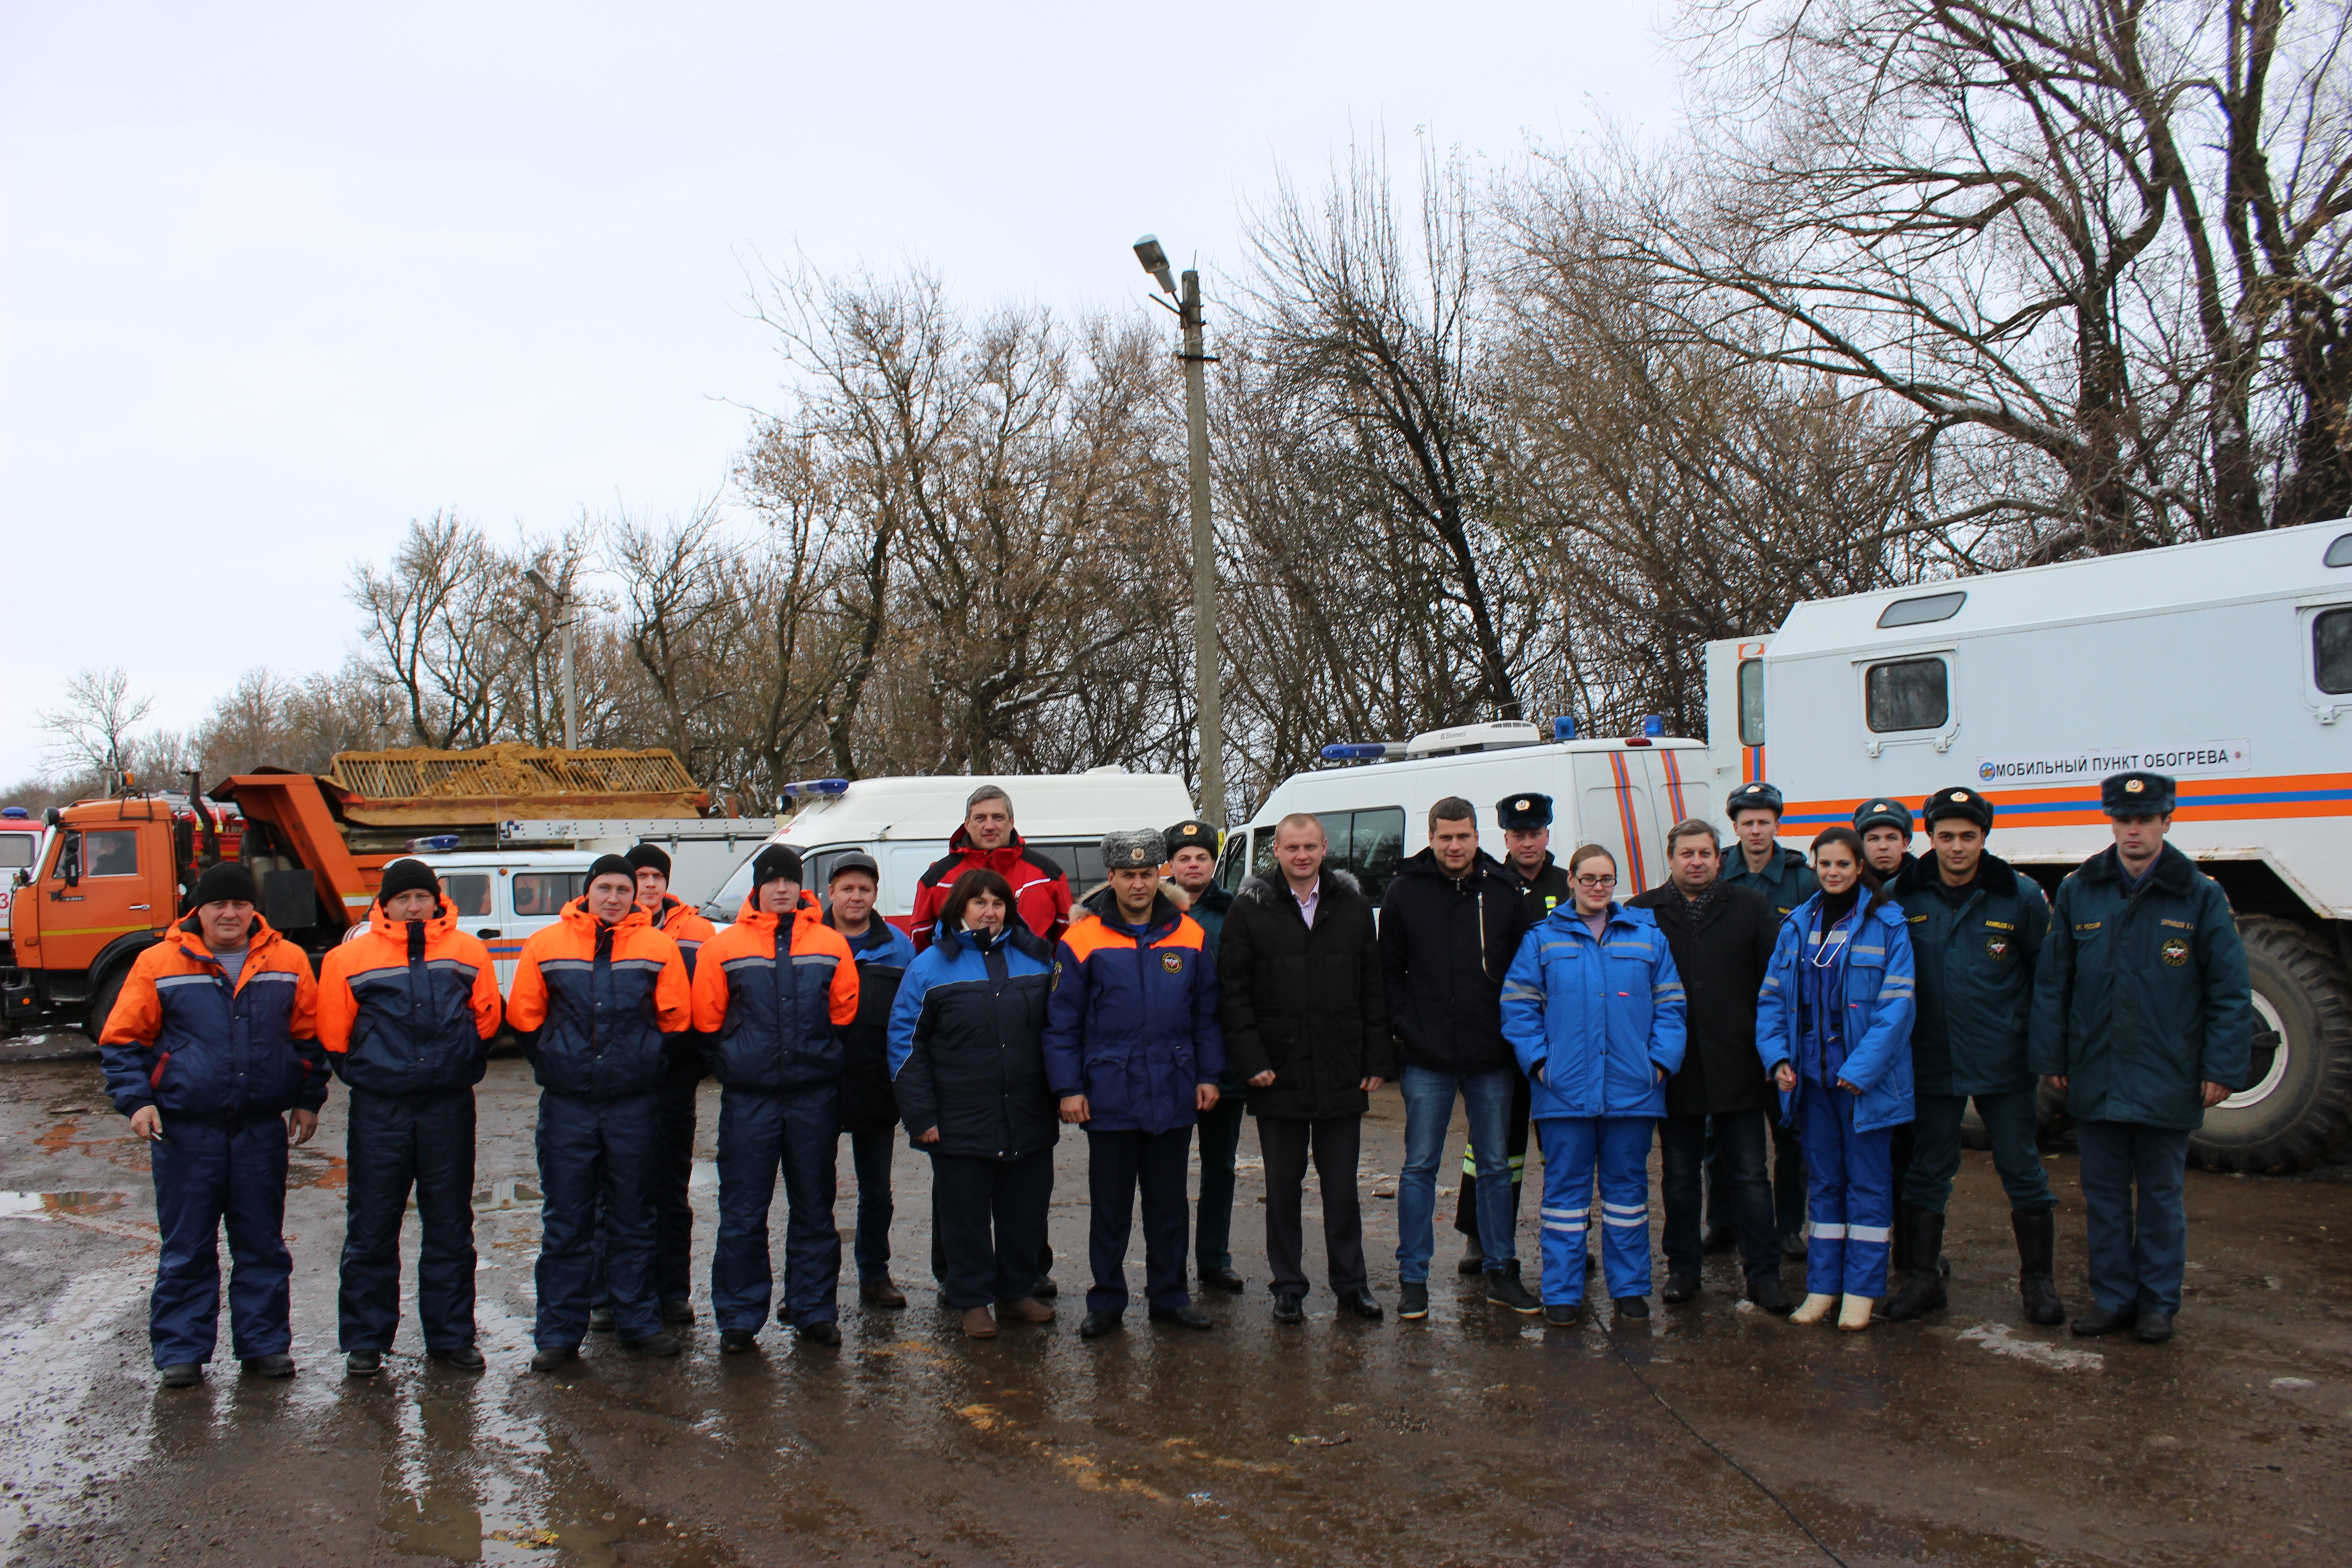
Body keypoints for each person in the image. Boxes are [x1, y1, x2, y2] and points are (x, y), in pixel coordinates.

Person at [2031, 771, 2249, 1345]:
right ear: (2113, 823)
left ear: (2165, 822)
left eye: (2145, 820)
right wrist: (2053, 1054)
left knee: (2159, 1198)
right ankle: (2113, 1298)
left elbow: (2228, 990)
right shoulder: (2082, 889)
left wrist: (2221, 1067)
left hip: (2167, 1072)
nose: (2133, 830)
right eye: (2124, 820)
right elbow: (2056, 982)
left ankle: (2158, 1303)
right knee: (2103, 1198)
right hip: (2096, 1071)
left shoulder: (2200, 894)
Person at [99, 862, 329, 1388]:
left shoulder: (288, 960)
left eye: (240, 904)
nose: (230, 914)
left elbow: (307, 1037)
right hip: (186, 1132)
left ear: (254, 910)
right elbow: (122, 1041)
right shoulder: (157, 962)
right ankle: (182, 1351)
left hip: (259, 1131)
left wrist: (308, 1099)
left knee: (262, 1245)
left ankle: (264, 1346)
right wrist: (137, 1102)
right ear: (198, 910)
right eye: (218, 905)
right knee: (187, 1246)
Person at [316, 858, 503, 1376]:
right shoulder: (348, 959)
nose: (415, 907)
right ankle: (366, 1340)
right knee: (372, 1225)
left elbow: (487, 1018)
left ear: (437, 901)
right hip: (381, 1110)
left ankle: (451, 1336)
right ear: (386, 904)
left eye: (423, 897)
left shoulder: (468, 951)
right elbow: (333, 1032)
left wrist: (456, 1059)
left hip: (447, 1107)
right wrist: (376, 1069)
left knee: (450, 1225)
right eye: (404, 899)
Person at [508, 854, 694, 1371]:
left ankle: (639, 1321)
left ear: (636, 896)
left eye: (623, 889)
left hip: (634, 1104)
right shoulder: (546, 944)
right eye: (605, 888)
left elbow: (677, 1019)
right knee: (567, 1220)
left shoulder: (658, 947)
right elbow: (524, 1014)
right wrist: (552, 1060)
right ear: (587, 892)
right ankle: (559, 1333)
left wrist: (647, 1063)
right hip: (569, 1105)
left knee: (635, 1215)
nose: (614, 898)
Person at [1046, 828, 1225, 1340]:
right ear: (1112, 878)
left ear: (1159, 875)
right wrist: (1068, 1088)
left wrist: (1209, 1073)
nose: (1140, 884)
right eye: (1129, 875)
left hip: (1173, 1086)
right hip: (1109, 1091)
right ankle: (1106, 1301)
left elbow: (1205, 1014)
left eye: (1148, 874)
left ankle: (1170, 1296)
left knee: (1169, 1205)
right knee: (1111, 1206)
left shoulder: (1188, 934)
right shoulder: (1081, 938)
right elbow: (1061, 1023)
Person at [1218, 813, 1393, 1325]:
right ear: (1276, 850)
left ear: (1324, 850)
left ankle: (1351, 1285)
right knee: (1284, 1188)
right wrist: (1251, 1062)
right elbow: (1234, 994)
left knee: (1342, 1188)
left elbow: (1373, 987)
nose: (1301, 855)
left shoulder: (1354, 907)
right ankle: (1287, 1286)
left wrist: (1377, 1056)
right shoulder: (1249, 910)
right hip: (1278, 1071)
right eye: (1292, 847)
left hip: (1340, 1065)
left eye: (1310, 847)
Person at [1501, 844, 1686, 1326]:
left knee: (1627, 1197)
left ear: (1615, 883)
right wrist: (1541, 1062)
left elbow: (1672, 1007)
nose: (1598, 888)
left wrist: (1659, 1065)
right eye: (1589, 879)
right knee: (1564, 1198)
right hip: (1564, 1091)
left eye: (1607, 880)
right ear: (1573, 882)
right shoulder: (1542, 940)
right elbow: (1518, 1008)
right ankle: (1562, 1292)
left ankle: (1629, 1288)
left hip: (1633, 1090)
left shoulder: (1647, 936)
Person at [691, 844, 859, 1354]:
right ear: (758, 887)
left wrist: (817, 1057)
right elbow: (706, 1019)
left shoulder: (830, 943)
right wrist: (736, 1062)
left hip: (812, 1097)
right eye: (772, 881)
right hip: (749, 1100)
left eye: (789, 880)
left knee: (814, 1207)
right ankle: (740, 1318)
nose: (781, 889)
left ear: (800, 885)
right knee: (743, 1210)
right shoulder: (724, 947)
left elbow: (844, 1012)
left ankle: (813, 1310)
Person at [1381, 798, 1542, 1320]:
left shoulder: (1503, 893)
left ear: (1478, 837)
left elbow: (1524, 974)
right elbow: (1390, 974)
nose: (1455, 847)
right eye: (1446, 837)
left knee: (1496, 1167)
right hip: (1427, 1055)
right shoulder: (1405, 891)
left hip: (1491, 1053)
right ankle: (1414, 1280)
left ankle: (1501, 1271)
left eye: (1464, 837)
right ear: (1431, 837)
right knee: (1419, 1168)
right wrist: (1406, 1027)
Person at [1755, 826, 1917, 1332]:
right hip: (1811, 1081)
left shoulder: (1888, 924)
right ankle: (1823, 1287)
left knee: (1869, 1185)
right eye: (1824, 865)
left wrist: (1860, 1070)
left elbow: (1897, 1008)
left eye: (1842, 865)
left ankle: (1862, 1292)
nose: (1832, 873)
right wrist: (1778, 1057)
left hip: (1864, 1084)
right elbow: (1772, 1000)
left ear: (1860, 867)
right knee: (1824, 1185)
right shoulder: (1797, 925)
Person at [888, 868, 1059, 1338]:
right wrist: (920, 1115)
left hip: (1026, 1112)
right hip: (959, 1116)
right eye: (979, 902)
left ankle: (1016, 1291)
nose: (990, 910)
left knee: (1024, 1212)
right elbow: (905, 1044)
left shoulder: (1037, 960)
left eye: (998, 902)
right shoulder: (929, 968)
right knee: (963, 1216)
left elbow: (1060, 1032)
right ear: (959, 909)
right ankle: (970, 1299)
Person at [1627, 820, 1788, 1313]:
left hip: (1739, 1064)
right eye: (1686, 853)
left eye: (1705, 853)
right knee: (1678, 1175)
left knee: (1750, 1175)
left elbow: (1773, 985)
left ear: (1720, 859)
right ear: (1670, 860)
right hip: (1674, 1069)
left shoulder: (1750, 907)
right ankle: (1683, 1269)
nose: (1696, 861)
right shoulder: (1641, 913)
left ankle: (1763, 1274)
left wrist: (1771, 1051)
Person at [1451, 793, 1567, 1275]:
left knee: (1564, 1147)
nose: (1527, 842)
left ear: (1547, 835)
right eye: (1518, 835)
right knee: (1493, 1145)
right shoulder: (1488, 886)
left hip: (1563, 1036)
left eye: (1535, 833)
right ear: (1505, 838)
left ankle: (1569, 1238)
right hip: (1503, 1036)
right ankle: (1480, 1237)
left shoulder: (1570, 885)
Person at [605, 842, 719, 1328]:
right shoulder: (604, 929)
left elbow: (708, 1001)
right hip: (621, 1082)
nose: (650, 885)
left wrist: (690, 1063)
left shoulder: (697, 931)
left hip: (674, 1079)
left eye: (657, 876)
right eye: (641, 876)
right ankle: (609, 1293)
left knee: (671, 1189)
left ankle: (673, 1290)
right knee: (616, 1189)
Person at [1716, 779, 1818, 1259]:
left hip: (1785, 1025)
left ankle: (1788, 1226)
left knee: (1790, 1132)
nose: (1756, 831)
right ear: (1734, 826)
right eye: (1747, 822)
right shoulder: (1718, 872)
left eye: (1765, 821)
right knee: (1721, 1133)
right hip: (1731, 1026)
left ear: (1778, 823)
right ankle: (1721, 1223)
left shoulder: (1802, 879)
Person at [823, 852, 917, 1309]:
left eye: (864, 889)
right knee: (814, 1189)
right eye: (847, 888)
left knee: (876, 1190)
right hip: (818, 1086)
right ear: (831, 893)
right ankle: (812, 1283)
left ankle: (874, 1276)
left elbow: (911, 1018)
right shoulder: (809, 941)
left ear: (875, 894)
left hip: (877, 1087)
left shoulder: (899, 948)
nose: (855, 896)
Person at [1851, 798, 1935, 1284]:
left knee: (1909, 1156)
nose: (1883, 847)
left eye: (1892, 838)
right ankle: (1866, 1249)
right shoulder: (1844, 891)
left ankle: (1914, 1251)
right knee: (1863, 1161)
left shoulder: (1923, 891)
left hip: (1912, 1046)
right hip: (1858, 1055)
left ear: (1908, 842)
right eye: (1873, 838)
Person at [1163, 818, 1246, 1294]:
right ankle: (1170, 1262)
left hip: (1223, 1062)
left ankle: (1214, 1258)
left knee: (1220, 1166)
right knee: (1168, 1171)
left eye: (1201, 858)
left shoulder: (1237, 911)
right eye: (1184, 859)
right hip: (1168, 1063)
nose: (1193, 866)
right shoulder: (1155, 913)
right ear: (1170, 866)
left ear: (1214, 864)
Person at [909, 784, 1073, 954]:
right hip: (964, 979)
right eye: (980, 818)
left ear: (1011, 823)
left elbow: (1068, 940)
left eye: (998, 818)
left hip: (1031, 978)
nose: (989, 826)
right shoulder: (937, 880)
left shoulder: (1048, 874)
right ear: (967, 824)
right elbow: (920, 945)